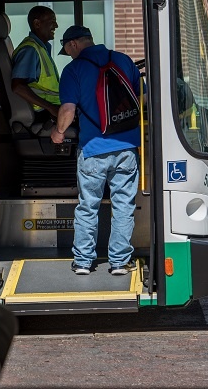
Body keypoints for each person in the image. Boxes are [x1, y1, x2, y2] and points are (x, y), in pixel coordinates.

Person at [51, 25, 142, 276]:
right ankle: (120, 262)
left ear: (74, 45)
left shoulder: (73, 69)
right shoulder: (123, 60)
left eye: (67, 50)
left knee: (88, 206)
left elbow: (68, 110)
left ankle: (82, 262)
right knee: (123, 205)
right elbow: (140, 99)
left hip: (93, 149)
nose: (69, 54)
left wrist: (58, 133)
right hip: (127, 149)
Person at [11, 6, 61, 125]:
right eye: (52, 22)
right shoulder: (30, 50)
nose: (56, 26)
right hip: (44, 114)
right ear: (37, 23)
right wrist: (50, 108)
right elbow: (18, 86)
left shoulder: (41, 48)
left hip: (51, 109)